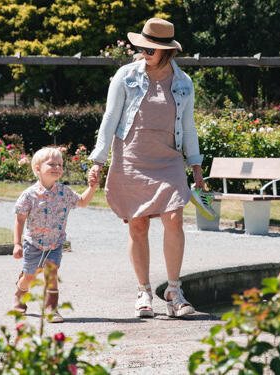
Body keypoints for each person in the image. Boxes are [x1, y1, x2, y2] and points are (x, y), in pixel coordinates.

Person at [87, 18, 204, 318]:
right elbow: (110, 117)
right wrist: (98, 160)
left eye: (152, 49)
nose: (145, 52)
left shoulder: (183, 83)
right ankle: (144, 292)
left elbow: (189, 127)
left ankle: (174, 292)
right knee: (138, 225)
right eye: (143, 47)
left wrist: (196, 166)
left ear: (168, 52)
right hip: (131, 157)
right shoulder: (125, 76)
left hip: (168, 159)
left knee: (174, 218)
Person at [13, 147, 97, 323]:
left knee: (51, 274)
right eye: (52, 164)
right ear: (37, 169)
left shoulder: (64, 192)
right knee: (30, 277)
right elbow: (20, 219)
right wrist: (17, 244)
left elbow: (81, 202)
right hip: (33, 243)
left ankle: (51, 308)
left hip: (55, 244)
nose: (57, 167)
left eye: (60, 164)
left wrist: (92, 187)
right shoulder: (29, 194)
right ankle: (20, 293)